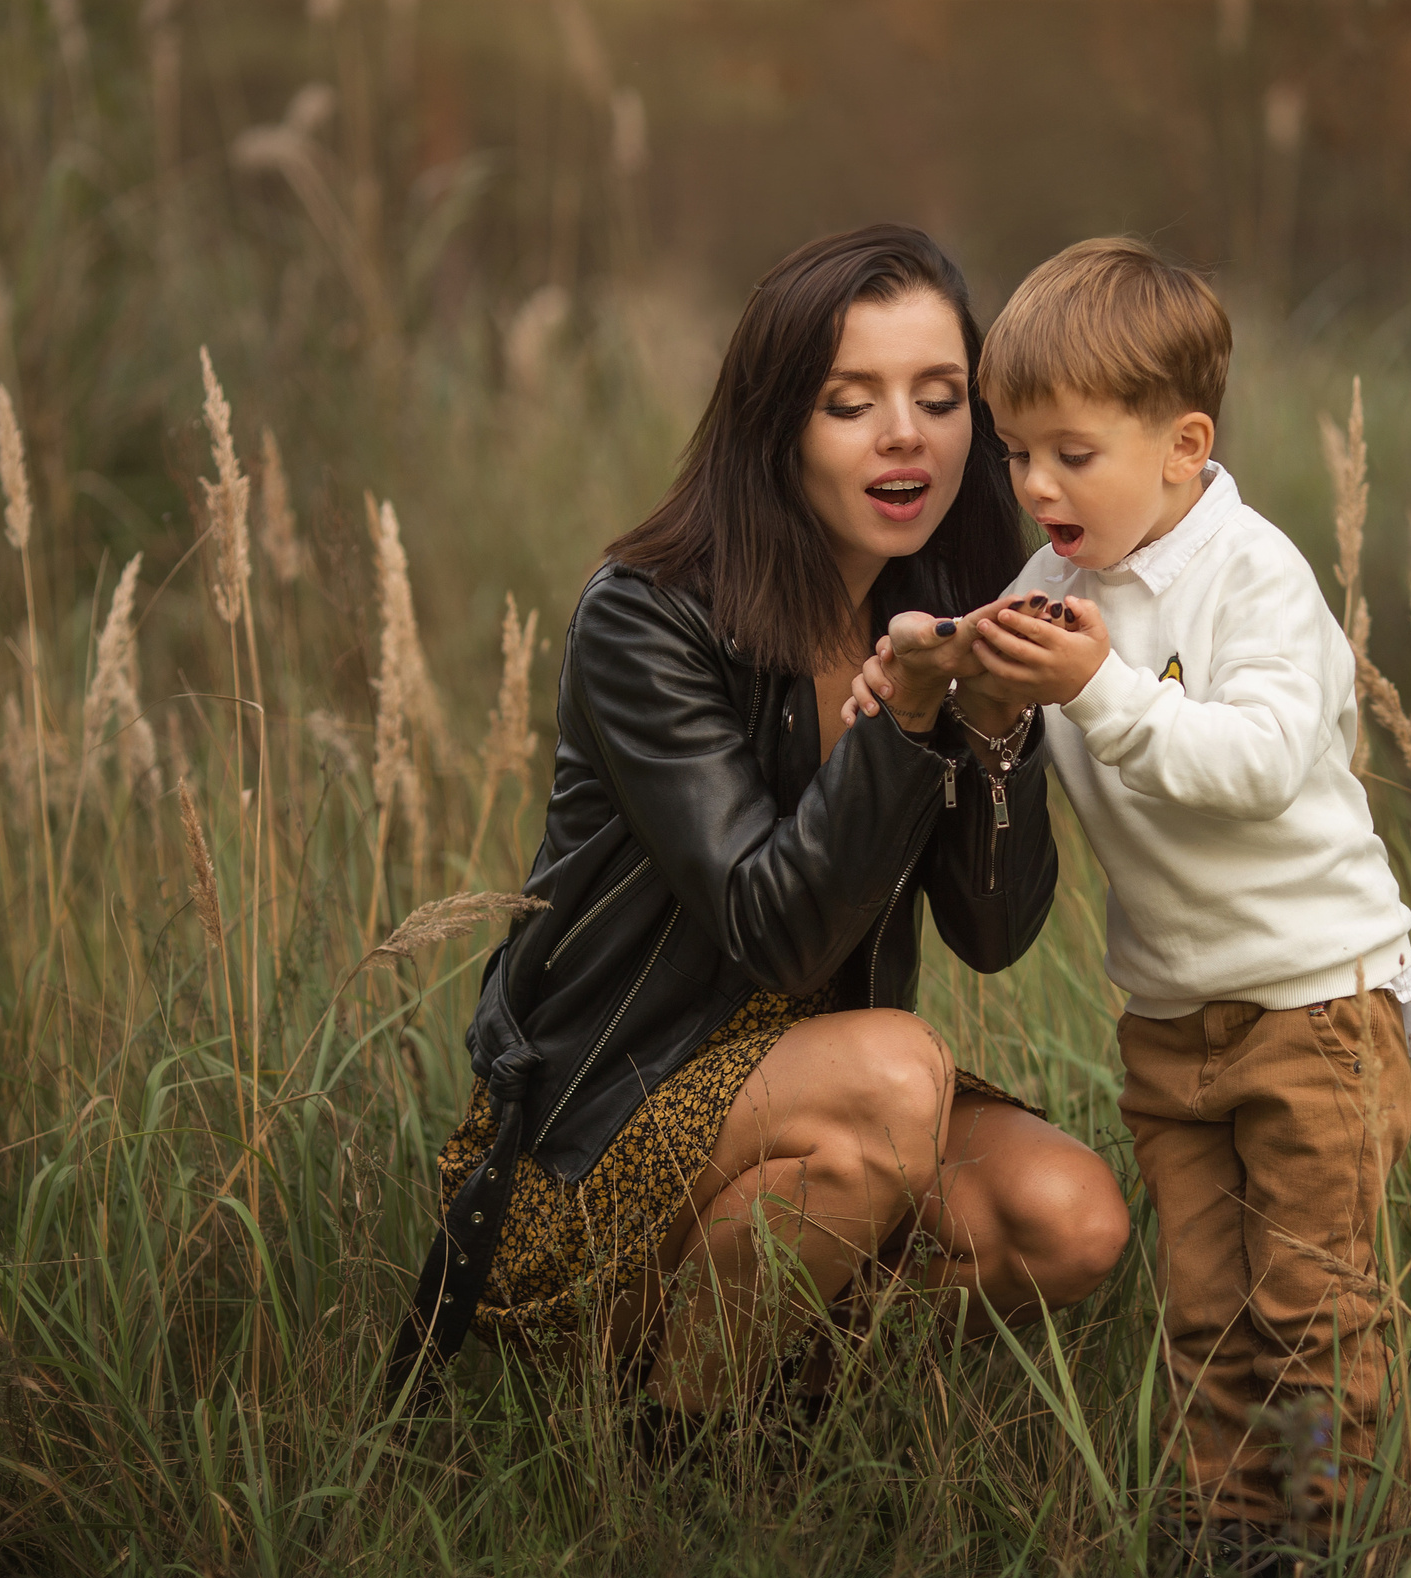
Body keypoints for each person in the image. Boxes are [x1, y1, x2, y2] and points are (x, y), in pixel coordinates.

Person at [387, 226, 1131, 1436]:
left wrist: (991, 728)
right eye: (852, 403)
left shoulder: (939, 610)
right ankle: (688, 1449)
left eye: (940, 399)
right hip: (601, 1134)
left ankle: (778, 1378)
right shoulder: (648, 618)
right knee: (895, 1067)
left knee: (1068, 1217)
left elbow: (993, 933)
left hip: (830, 1121)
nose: (906, 435)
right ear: (778, 422)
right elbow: (775, 932)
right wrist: (900, 722)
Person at [855, 237, 1411, 1578]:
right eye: (1014, 455)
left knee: (1309, 1298)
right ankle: (1232, 1529)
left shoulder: (1252, 577)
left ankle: (1323, 1526)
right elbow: (999, 702)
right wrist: (938, 673)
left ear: (1183, 444)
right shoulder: (1059, 587)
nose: (1034, 487)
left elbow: (1255, 766)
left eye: (1070, 454)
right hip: (1173, 1017)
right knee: (1206, 1301)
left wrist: (1101, 685)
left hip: (1314, 1000)